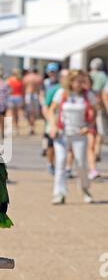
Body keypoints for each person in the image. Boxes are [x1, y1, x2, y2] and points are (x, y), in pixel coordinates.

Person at [49, 70, 95, 205]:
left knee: (81, 163)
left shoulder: (88, 95)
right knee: (61, 162)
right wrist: (53, 126)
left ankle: (85, 188)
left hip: (79, 133)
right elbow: (51, 110)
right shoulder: (62, 94)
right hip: (62, 132)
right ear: (71, 81)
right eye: (77, 81)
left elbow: (94, 111)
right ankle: (59, 193)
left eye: (82, 81)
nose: (80, 84)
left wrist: (89, 126)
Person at [41, 62, 61, 175]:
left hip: (57, 116)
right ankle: (50, 162)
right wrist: (47, 116)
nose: (52, 73)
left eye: (54, 71)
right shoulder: (46, 83)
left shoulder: (59, 85)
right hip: (49, 113)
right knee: (49, 139)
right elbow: (44, 100)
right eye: (50, 71)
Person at [89, 58, 108, 163]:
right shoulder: (103, 76)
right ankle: (97, 151)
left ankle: (92, 151)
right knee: (100, 130)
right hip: (99, 106)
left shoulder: (89, 75)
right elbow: (104, 92)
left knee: (91, 129)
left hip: (89, 106)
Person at [82, 72, 100, 180]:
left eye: (88, 82)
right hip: (79, 125)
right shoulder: (78, 95)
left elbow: (96, 109)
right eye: (84, 82)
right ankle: (69, 168)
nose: (85, 84)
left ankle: (93, 169)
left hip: (90, 124)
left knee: (91, 146)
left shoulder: (92, 94)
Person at [23, 68, 43, 135]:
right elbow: (40, 88)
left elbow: (23, 87)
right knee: (33, 113)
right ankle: (32, 127)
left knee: (29, 112)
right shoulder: (38, 78)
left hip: (28, 95)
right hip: (35, 95)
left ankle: (31, 127)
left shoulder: (26, 77)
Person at [7, 68, 23, 135]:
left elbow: (22, 89)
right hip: (13, 97)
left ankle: (16, 127)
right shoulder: (10, 80)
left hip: (17, 97)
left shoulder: (19, 80)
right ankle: (14, 127)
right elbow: (7, 88)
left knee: (16, 113)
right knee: (13, 113)